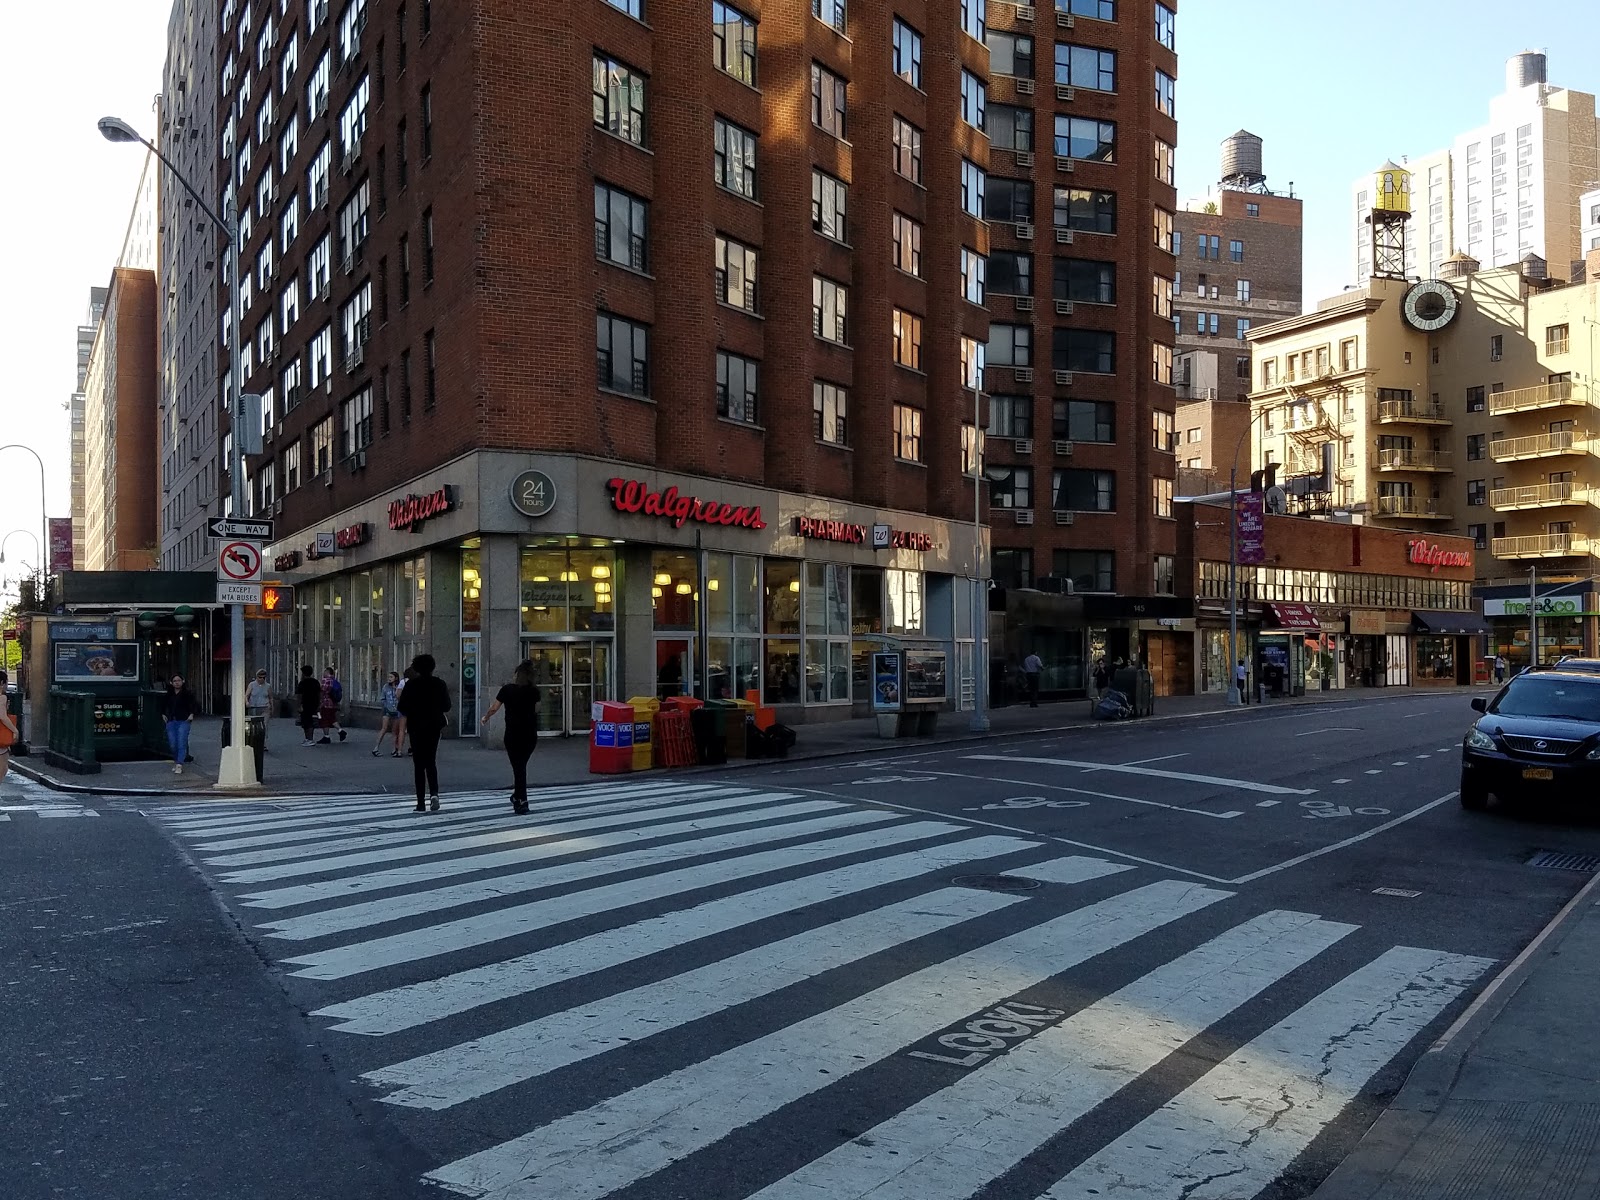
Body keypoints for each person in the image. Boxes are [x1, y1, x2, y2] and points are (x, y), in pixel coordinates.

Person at [481, 660, 541, 813]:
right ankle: (519, 798)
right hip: (529, 733)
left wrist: (486, 717)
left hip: (513, 733)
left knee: (518, 767)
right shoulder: (534, 691)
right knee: (521, 766)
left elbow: (494, 708)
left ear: (517, 675)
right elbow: (537, 710)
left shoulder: (507, 690)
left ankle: (521, 800)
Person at [396, 653, 450, 812]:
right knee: (431, 760)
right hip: (433, 725)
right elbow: (447, 706)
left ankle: (420, 802)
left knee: (418, 764)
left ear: (416, 668)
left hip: (416, 726)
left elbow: (402, 707)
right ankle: (434, 793)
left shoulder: (411, 685)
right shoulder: (439, 684)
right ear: (432, 667)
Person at [161, 674, 200, 775]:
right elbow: (163, 705)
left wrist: (191, 714)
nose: (177, 682)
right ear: (171, 683)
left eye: (179, 680)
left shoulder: (188, 694)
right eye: (174, 681)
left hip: (184, 720)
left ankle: (179, 764)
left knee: (181, 742)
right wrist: (163, 714)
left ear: (183, 681)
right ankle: (177, 760)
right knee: (173, 744)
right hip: (171, 720)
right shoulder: (169, 694)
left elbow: (194, 705)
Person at [373, 671, 403, 756]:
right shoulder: (386, 687)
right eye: (389, 677)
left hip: (397, 711)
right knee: (384, 728)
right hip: (387, 710)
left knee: (395, 731)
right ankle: (376, 748)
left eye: (391, 677)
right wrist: (386, 706)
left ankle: (394, 749)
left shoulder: (398, 687)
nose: (389, 679)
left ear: (396, 678)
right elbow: (383, 698)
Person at [318, 665, 347, 744]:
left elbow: (322, 691)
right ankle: (341, 731)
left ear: (327, 672)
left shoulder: (326, 680)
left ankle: (326, 737)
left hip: (326, 703)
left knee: (324, 720)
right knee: (332, 719)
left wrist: (319, 702)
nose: (323, 673)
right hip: (333, 704)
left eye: (324, 671)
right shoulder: (335, 681)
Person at [245, 669, 272, 752]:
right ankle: (252, 743)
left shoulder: (268, 686)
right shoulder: (252, 685)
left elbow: (271, 697)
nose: (262, 679)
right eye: (260, 677)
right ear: (257, 677)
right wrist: (246, 702)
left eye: (263, 678)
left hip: (264, 707)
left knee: (264, 725)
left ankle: (263, 744)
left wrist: (272, 707)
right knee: (253, 726)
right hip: (254, 707)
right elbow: (246, 695)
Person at [296, 665, 322, 746]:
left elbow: (299, 695)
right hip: (314, 703)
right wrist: (320, 703)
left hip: (305, 704)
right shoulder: (315, 682)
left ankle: (309, 739)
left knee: (306, 722)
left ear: (303, 673)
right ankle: (308, 739)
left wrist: (299, 705)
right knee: (310, 721)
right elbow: (319, 693)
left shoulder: (302, 683)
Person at [0, 669, 17, 785]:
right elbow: (2, 716)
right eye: (6, 682)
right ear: (1, 683)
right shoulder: (2, 698)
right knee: (2, 768)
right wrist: (14, 730)